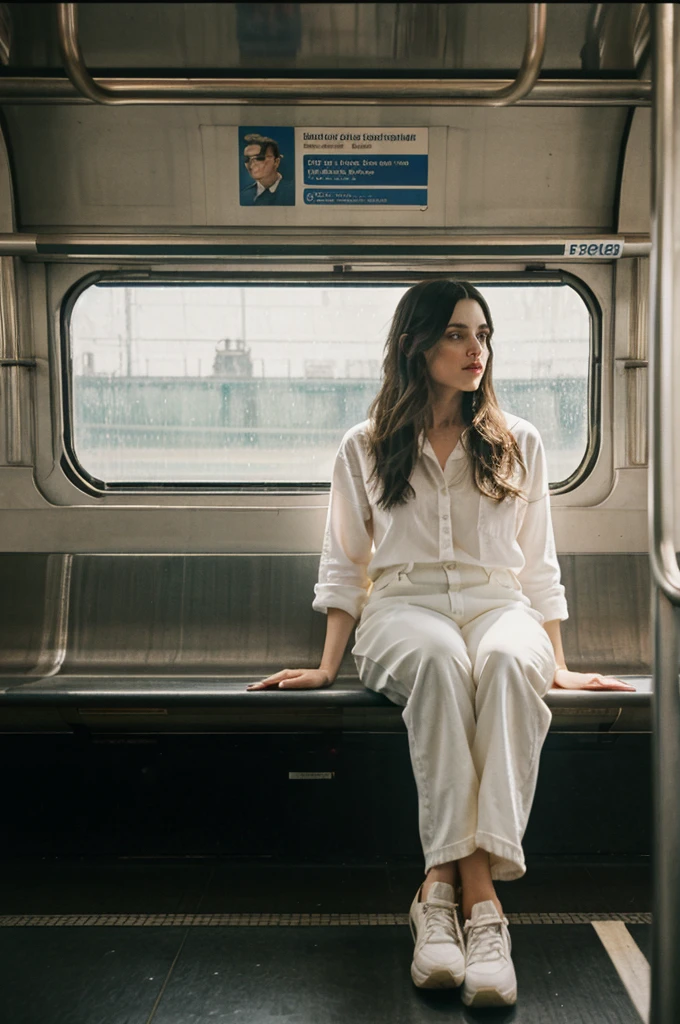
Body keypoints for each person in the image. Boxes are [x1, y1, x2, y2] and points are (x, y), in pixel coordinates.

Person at [246, 280, 635, 1007]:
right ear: (416, 346)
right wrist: (329, 664)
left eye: (482, 335)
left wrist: (560, 660)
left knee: (512, 665)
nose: (475, 350)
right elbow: (346, 560)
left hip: (498, 601)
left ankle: (442, 893)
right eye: (457, 334)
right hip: (403, 606)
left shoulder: (518, 439)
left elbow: (538, 561)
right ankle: (481, 902)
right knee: (439, 661)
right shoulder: (364, 446)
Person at [240, 133, 295, 206]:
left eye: (259, 158)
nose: (251, 164)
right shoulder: (244, 196)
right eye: (247, 159)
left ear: (276, 162)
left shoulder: (293, 193)